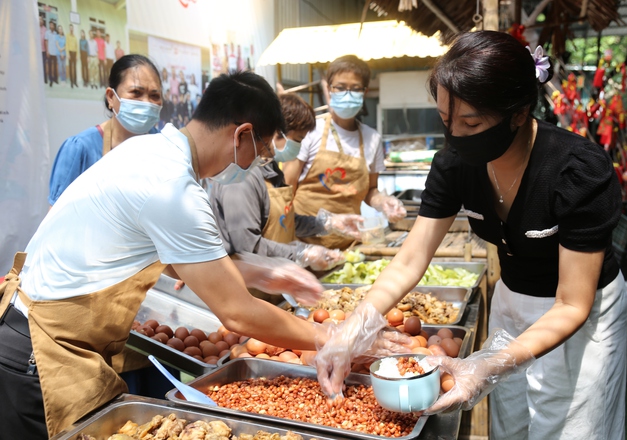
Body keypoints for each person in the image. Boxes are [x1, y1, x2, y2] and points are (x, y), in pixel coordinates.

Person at [0, 70, 405, 439]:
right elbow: (236, 313)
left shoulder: (151, 152)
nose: (256, 165)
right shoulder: (174, 187)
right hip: (44, 353)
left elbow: (175, 258)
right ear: (241, 135)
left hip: (37, 337)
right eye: (261, 153)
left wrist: (261, 272)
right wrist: (330, 336)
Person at [314, 31, 627, 440]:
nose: (456, 135)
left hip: (578, 312)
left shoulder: (576, 170)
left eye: (472, 122)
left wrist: (485, 364)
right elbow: (411, 258)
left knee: (567, 426)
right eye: (446, 119)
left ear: (518, 113)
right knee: (510, 422)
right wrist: (356, 325)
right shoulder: (454, 164)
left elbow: (572, 303)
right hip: (513, 300)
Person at [210, 93, 360, 286]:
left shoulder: (272, 169)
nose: (299, 147)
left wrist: (328, 223)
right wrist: (301, 253)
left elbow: (283, 221)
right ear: (276, 133)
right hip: (243, 286)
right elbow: (246, 246)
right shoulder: (243, 178)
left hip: (269, 282)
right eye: (297, 139)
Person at [283, 55, 406, 250]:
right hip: (303, 244)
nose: (347, 94)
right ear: (329, 90)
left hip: (348, 246)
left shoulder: (372, 138)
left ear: (365, 92)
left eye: (355, 88)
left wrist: (383, 202)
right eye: (340, 87)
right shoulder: (310, 132)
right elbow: (286, 188)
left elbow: (370, 190)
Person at [49, 54, 163, 206]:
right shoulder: (81, 149)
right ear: (111, 97)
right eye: (136, 93)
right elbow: (56, 221)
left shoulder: (163, 148)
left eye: (154, 95)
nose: (146, 102)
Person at [45, 20, 58, 86]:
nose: (51, 26)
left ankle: (55, 79)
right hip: (49, 52)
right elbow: (46, 42)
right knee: (50, 66)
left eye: (52, 25)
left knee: (55, 66)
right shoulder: (47, 33)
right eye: (50, 25)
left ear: (54, 26)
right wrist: (47, 51)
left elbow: (57, 43)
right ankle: (51, 80)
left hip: (55, 52)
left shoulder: (56, 33)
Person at [66, 24, 78, 88]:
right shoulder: (67, 36)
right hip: (70, 53)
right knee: (70, 68)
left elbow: (76, 46)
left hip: (74, 53)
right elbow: (67, 45)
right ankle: (71, 82)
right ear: (69, 29)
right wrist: (68, 54)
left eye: (72, 28)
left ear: (73, 29)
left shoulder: (75, 37)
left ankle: (75, 81)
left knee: (75, 68)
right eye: (70, 28)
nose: (71, 29)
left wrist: (77, 55)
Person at [39, 16, 47, 83]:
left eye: (41, 19)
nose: (40, 20)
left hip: (44, 50)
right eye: (39, 19)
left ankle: (44, 79)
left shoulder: (45, 29)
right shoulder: (35, 27)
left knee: (43, 65)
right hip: (37, 51)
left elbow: (46, 40)